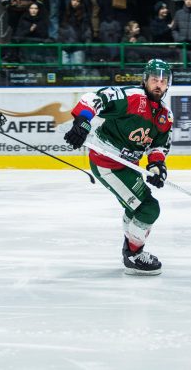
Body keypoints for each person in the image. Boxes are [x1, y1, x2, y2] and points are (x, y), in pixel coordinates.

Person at [62, 59, 173, 275]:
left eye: (163, 81)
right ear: (145, 80)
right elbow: (95, 98)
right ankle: (133, 254)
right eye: (154, 80)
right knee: (149, 208)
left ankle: (131, 245)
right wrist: (83, 121)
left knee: (139, 208)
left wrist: (157, 167)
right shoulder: (132, 97)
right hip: (107, 163)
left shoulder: (164, 116)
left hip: (128, 165)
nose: (158, 85)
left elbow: (158, 147)